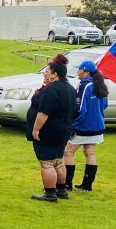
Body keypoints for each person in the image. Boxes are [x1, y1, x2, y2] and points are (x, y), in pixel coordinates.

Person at [26, 57, 77, 202]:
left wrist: (36, 130)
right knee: (58, 161)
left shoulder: (51, 90)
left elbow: (43, 112)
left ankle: (50, 194)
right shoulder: (70, 89)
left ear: (55, 74)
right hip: (63, 130)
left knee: (47, 163)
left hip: (49, 131)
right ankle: (62, 190)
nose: (44, 74)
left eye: (47, 72)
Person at [65, 59, 109, 191]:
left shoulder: (85, 86)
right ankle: (87, 184)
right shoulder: (100, 84)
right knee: (89, 152)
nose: (78, 72)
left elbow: (80, 108)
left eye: (79, 69)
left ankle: (67, 184)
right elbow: (105, 105)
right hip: (97, 125)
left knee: (67, 152)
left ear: (86, 72)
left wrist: (72, 125)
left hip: (83, 126)